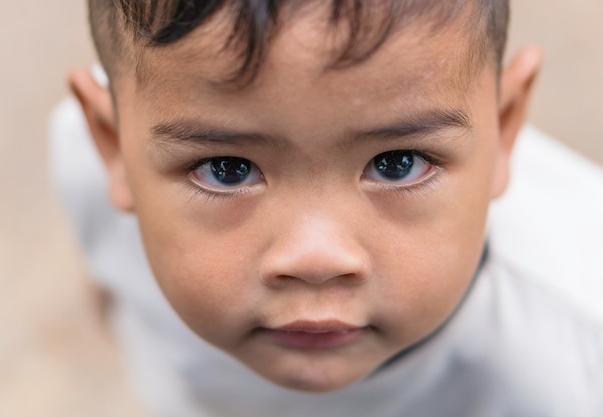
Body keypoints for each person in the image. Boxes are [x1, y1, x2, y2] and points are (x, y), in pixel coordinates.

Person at [52, 1, 603, 416]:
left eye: (398, 163)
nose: (315, 257)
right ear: (113, 144)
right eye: (227, 169)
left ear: (505, 129)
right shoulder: (86, 169)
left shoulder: (573, 368)